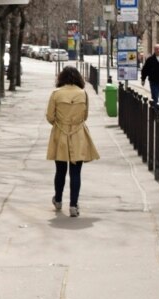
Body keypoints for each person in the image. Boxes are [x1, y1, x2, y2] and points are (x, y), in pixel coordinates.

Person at [46, 66, 99, 217]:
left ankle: (58, 200)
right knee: (76, 172)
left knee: (60, 171)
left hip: (60, 134)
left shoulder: (56, 94)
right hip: (78, 135)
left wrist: (60, 124)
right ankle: (74, 205)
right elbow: (85, 116)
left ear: (61, 78)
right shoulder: (83, 94)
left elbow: (50, 116)